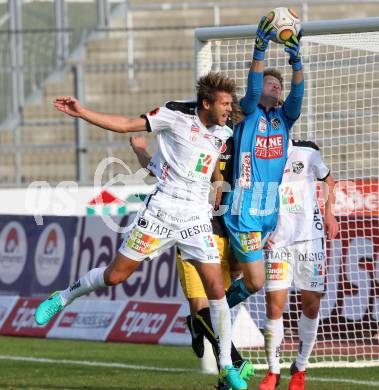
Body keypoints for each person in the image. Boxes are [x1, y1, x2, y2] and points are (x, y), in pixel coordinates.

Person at [34, 73, 248, 390]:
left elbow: (210, 160)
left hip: (196, 219)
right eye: (225, 103)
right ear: (206, 103)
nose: (229, 108)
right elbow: (124, 123)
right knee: (116, 275)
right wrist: (83, 112)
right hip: (162, 211)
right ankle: (62, 297)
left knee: (216, 290)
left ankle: (227, 367)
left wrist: (217, 182)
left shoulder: (224, 131)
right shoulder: (174, 115)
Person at [130, 126, 254, 390]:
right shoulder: (186, 141)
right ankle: (234, 362)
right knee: (203, 310)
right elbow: (156, 170)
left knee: (217, 312)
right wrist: (140, 149)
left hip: (229, 233)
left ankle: (215, 357)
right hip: (192, 233)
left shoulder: (238, 143)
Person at [223, 16, 305, 309]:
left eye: (278, 86)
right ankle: (206, 316)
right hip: (244, 206)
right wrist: (260, 50)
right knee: (256, 281)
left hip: (269, 209)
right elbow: (254, 91)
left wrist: (296, 62)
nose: (275, 88)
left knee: (235, 273)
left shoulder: (284, 118)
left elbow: (297, 96)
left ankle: (211, 316)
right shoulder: (247, 112)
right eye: (271, 83)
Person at [259, 139, 339, 390]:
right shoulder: (259, 153)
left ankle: (300, 367)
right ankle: (273, 370)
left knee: (312, 303)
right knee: (275, 304)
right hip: (277, 241)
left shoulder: (307, 151)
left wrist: (329, 212)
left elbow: (328, 180)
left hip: (310, 239)